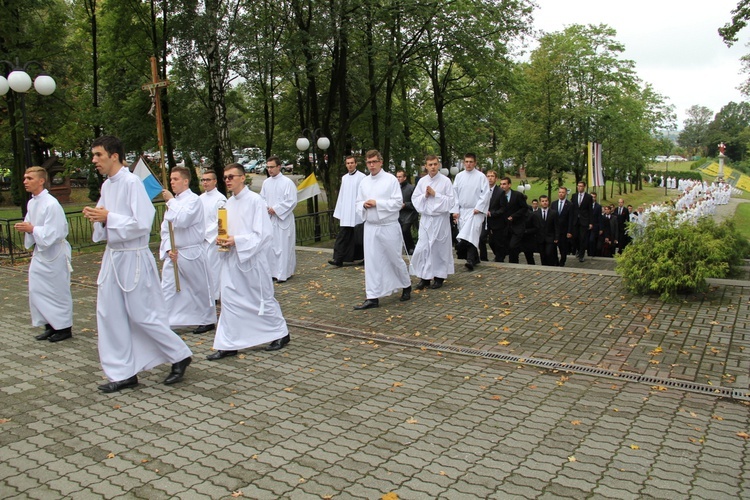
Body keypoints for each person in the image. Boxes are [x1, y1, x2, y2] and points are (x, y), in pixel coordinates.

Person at [83, 136, 192, 393]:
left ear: (114, 155)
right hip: (113, 256)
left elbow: (143, 221)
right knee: (110, 315)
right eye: (93, 155)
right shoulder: (107, 187)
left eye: (98, 155)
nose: (94, 160)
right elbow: (105, 222)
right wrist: (98, 219)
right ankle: (123, 372)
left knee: (143, 314)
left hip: (133, 256)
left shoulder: (132, 182)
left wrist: (108, 217)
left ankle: (179, 354)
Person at [209, 163, 290, 358]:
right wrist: (221, 239)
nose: (227, 180)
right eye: (225, 177)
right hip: (232, 258)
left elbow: (263, 233)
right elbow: (223, 228)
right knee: (228, 300)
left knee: (260, 299)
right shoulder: (227, 203)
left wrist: (237, 240)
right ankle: (228, 343)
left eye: (231, 176)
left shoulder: (255, 201)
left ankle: (280, 332)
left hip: (251, 259)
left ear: (242, 177)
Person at [14, 166, 73, 342]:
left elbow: (55, 232)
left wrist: (32, 229)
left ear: (41, 181)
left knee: (57, 290)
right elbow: (32, 223)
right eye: (25, 178)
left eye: (29, 178)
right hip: (41, 252)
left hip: (54, 252)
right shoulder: (32, 202)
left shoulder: (51, 204)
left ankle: (64, 327)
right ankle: (49, 325)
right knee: (38, 289)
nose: (25, 181)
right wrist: (27, 228)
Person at [160, 166, 217, 334]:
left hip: (191, 251)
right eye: (170, 179)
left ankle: (207, 319)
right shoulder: (174, 202)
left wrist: (170, 201)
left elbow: (183, 220)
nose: (172, 182)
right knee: (168, 287)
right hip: (175, 252)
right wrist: (168, 248)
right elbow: (166, 228)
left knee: (198, 287)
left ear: (185, 181)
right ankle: (166, 320)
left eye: (175, 179)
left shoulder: (193, 200)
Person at [353, 150, 412, 310]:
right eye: (368, 162)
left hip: (388, 226)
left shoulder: (391, 180)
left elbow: (397, 203)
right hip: (371, 227)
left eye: (374, 162)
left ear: (381, 162)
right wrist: (363, 205)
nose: (371, 165)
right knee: (372, 262)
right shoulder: (364, 182)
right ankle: (372, 296)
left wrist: (377, 203)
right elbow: (358, 201)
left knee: (394, 258)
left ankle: (406, 285)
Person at [410, 154, 455, 290]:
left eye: (435, 164)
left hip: (440, 219)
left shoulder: (446, 181)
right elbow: (415, 199)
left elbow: (451, 201)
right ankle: (424, 277)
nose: (433, 167)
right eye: (430, 165)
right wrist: (425, 195)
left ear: (439, 165)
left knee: (438, 248)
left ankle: (439, 276)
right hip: (426, 219)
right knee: (424, 247)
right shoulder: (422, 181)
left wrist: (436, 195)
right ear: (426, 166)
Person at [260, 156, 298, 282]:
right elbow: (262, 198)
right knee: (270, 247)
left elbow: (291, 201)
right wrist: (266, 208)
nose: (269, 170)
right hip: (270, 219)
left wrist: (276, 209)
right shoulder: (266, 182)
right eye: (268, 167)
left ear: (279, 167)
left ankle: (283, 273)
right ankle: (272, 272)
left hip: (283, 219)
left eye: (272, 167)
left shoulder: (287, 182)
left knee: (283, 247)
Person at [451, 153, 490, 271]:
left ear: (475, 163)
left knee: (472, 235)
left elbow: (486, 193)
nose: (468, 164)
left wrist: (479, 207)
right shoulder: (459, 176)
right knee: (464, 236)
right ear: (464, 162)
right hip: (463, 210)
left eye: (471, 162)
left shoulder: (481, 177)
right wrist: (455, 210)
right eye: (466, 161)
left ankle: (470, 260)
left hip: (475, 211)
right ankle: (476, 258)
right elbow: (454, 194)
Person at [329, 155, 365, 267]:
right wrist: (340, 211)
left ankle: (365, 258)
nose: (350, 165)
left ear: (356, 164)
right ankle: (338, 259)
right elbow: (342, 195)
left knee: (360, 237)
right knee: (343, 236)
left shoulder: (362, 177)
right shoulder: (344, 178)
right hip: (346, 212)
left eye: (352, 163)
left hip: (356, 212)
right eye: (348, 163)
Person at [199, 169, 227, 301]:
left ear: (215, 181)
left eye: (208, 180)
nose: (205, 182)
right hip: (201, 239)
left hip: (213, 239)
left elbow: (220, 221)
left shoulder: (220, 199)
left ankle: (215, 295)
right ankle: (206, 294)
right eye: (203, 180)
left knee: (214, 269)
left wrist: (207, 234)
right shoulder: (200, 198)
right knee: (203, 269)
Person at [491, 176, 528, 264]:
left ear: (509, 185)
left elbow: (524, 208)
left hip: (516, 225)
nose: (502, 186)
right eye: (501, 184)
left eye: (504, 184)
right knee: (496, 243)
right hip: (503, 226)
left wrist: (513, 216)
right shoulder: (498, 196)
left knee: (513, 246)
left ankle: (514, 263)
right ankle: (500, 258)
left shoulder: (517, 195)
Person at [532, 195, 559, 266]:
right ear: (540, 203)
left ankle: (551, 265)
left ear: (548, 202)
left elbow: (556, 226)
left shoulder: (553, 213)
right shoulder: (535, 214)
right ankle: (544, 266)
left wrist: (556, 237)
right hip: (540, 237)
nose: (544, 203)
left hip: (550, 237)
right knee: (542, 254)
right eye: (543, 201)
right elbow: (535, 226)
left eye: (546, 201)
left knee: (549, 252)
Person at [396, 170, 418, 255]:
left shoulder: (411, 188)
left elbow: (416, 203)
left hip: (409, 214)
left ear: (405, 177)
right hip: (398, 214)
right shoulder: (396, 188)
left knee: (405, 230)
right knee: (400, 232)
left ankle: (411, 248)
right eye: (397, 177)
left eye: (400, 177)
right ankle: (407, 248)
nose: (398, 179)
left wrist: (405, 204)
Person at [570, 181, 593, 262]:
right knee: (575, 237)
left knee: (582, 238)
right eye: (578, 186)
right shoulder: (574, 196)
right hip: (575, 220)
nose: (579, 187)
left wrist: (590, 222)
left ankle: (582, 254)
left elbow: (590, 210)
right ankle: (577, 250)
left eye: (581, 186)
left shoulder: (588, 197)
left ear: (584, 187)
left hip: (584, 220)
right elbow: (572, 209)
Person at [481, 170, 500, 261]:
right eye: (488, 176)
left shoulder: (500, 191)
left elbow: (503, 208)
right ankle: (483, 258)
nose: (490, 178)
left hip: (495, 220)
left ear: (496, 178)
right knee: (481, 238)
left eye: (492, 176)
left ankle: (499, 256)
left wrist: (492, 213)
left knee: (495, 242)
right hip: (483, 220)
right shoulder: (482, 190)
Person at [551, 186, 572, 266]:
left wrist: (569, 231)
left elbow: (571, 219)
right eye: (560, 192)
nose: (561, 194)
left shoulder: (569, 205)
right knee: (553, 247)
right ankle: (555, 261)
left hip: (564, 230)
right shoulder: (554, 204)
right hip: (555, 230)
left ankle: (562, 261)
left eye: (563, 192)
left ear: (566, 193)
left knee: (563, 248)